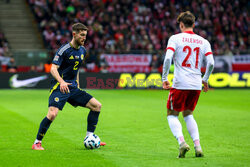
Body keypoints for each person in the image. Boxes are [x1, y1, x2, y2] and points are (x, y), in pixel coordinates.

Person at [32, 23, 106, 150]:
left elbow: (75, 69)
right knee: (52, 114)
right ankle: (37, 142)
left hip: (73, 88)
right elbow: (53, 69)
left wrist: (77, 85)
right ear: (74, 34)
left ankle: (90, 137)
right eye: (82, 35)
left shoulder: (83, 50)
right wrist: (61, 82)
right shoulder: (64, 49)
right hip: (59, 87)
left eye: (85, 35)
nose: (84, 38)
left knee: (97, 106)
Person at [162, 11, 214, 158]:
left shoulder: (175, 38)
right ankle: (198, 146)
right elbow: (211, 62)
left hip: (180, 83)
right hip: (196, 84)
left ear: (181, 24)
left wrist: (164, 77)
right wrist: (205, 80)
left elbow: (167, 59)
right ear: (194, 25)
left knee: (172, 115)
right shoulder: (204, 41)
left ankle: (182, 143)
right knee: (188, 114)